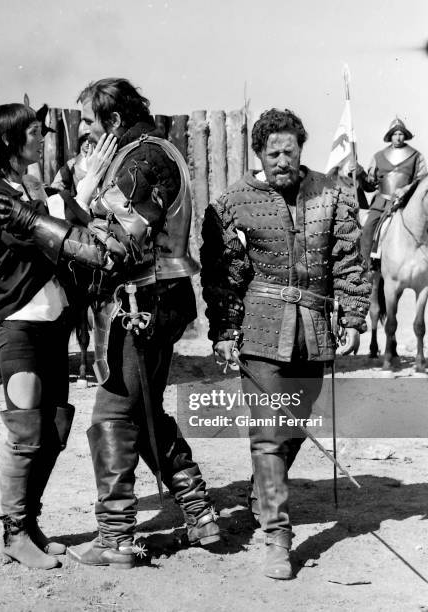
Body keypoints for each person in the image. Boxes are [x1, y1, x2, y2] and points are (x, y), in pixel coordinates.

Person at [0, 78, 221, 570]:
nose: (84, 131)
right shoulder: (139, 153)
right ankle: (200, 512)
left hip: (142, 304)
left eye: (91, 121)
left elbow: (113, 248)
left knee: (112, 416)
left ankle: (116, 537)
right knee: (142, 410)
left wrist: (34, 219)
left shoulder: (146, 160)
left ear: (114, 121)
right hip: (148, 301)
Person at [200, 108, 370, 580]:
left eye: (289, 150)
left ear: (301, 149)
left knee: (296, 421)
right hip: (260, 328)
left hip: (314, 330)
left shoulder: (330, 194)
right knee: (270, 431)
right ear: (259, 154)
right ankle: (278, 536)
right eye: (272, 152)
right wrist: (224, 331)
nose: (282, 159)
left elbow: (348, 260)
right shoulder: (235, 200)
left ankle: (261, 493)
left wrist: (353, 316)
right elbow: (221, 273)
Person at [0, 103, 116, 570]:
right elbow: (49, 233)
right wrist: (74, 198)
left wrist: (78, 192)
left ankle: (28, 523)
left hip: (52, 320)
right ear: (10, 139)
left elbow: (61, 221)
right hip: (17, 322)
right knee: (26, 429)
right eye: (33, 131)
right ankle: (12, 532)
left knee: (54, 428)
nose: (42, 138)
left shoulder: (29, 187)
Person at [358, 117, 427, 268]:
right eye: (395, 134)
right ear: (390, 136)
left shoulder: (416, 156)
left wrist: (406, 189)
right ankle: (366, 266)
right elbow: (370, 185)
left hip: (407, 203)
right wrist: (359, 173)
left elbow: (422, 180)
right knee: (369, 227)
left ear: (405, 135)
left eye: (401, 134)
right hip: (381, 203)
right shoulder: (378, 156)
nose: (398, 137)